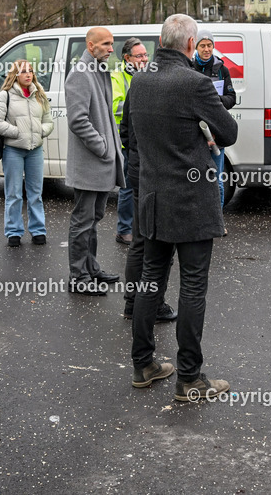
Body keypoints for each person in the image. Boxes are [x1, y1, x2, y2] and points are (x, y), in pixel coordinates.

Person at [127, 14, 238, 401]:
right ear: (192, 45)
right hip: (191, 201)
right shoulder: (195, 82)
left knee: (150, 279)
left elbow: (133, 137)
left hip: (153, 196)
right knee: (192, 285)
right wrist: (202, 135)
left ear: (161, 40)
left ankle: (144, 363)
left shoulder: (138, 81)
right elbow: (228, 132)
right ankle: (189, 376)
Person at [65, 26, 124, 295]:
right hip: (91, 163)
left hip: (102, 162)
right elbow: (78, 120)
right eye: (106, 44)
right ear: (91, 46)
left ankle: (91, 268)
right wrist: (102, 147)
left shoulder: (99, 70)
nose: (112, 49)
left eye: (111, 44)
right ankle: (78, 277)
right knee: (83, 221)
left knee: (94, 217)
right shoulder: (80, 74)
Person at [119, 85, 177, 324]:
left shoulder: (138, 85)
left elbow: (125, 130)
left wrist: (133, 156)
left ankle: (132, 302)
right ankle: (154, 304)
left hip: (138, 169)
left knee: (140, 240)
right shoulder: (176, 87)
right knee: (163, 243)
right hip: (161, 174)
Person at [0, 59, 55, 247]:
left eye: (31, 71)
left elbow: (49, 121)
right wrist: (17, 132)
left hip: (35, 151)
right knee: (14, 194)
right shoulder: (5, 95)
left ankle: (38, 230)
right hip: (13, 151)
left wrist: (41, 131)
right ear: (15, 75)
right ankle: (14, 232)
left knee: (36, 193)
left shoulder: (39, 94)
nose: (28, 74)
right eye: (24, 71)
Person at [191, 29, 236, 210]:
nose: (206, 49)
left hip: (216, 131)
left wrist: (214, 101)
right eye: (202, 45)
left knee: (217, 179)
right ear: (196, 47)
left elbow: (231, 98)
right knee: (195, 178)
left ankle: (218, 221)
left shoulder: (222, 69)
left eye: (209, 45)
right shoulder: (189, 67)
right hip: (195, 131)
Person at [112, 38, 150, 246]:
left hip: (146, 140)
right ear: (127, 58)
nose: (144, 59)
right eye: (139, 56)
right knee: (127, 188)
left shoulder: (148, 76)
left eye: (145, 55)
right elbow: (115, 107)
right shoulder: (117, 77)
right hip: (126, 141)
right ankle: (124, 229)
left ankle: (140, 227)